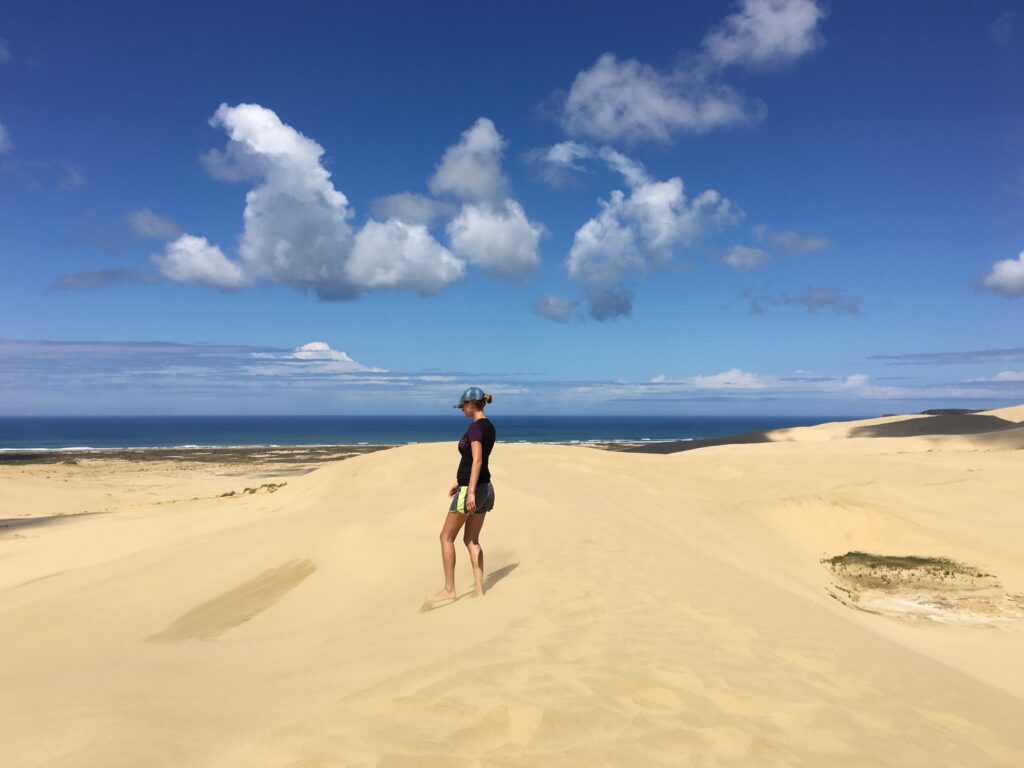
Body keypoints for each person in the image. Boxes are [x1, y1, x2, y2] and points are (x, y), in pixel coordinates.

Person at [433, 386, 496, 605]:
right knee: (471, 540)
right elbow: (474, 461)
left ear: (471, 404)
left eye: (463, 406)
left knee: (445, 537)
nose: (462, 410)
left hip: (474, 490)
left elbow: (477, 460)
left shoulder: (476, 428)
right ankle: (479, 589)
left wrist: (468, 492)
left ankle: (449, 589)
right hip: (485, 488)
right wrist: (459, 482)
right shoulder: (489, 426)